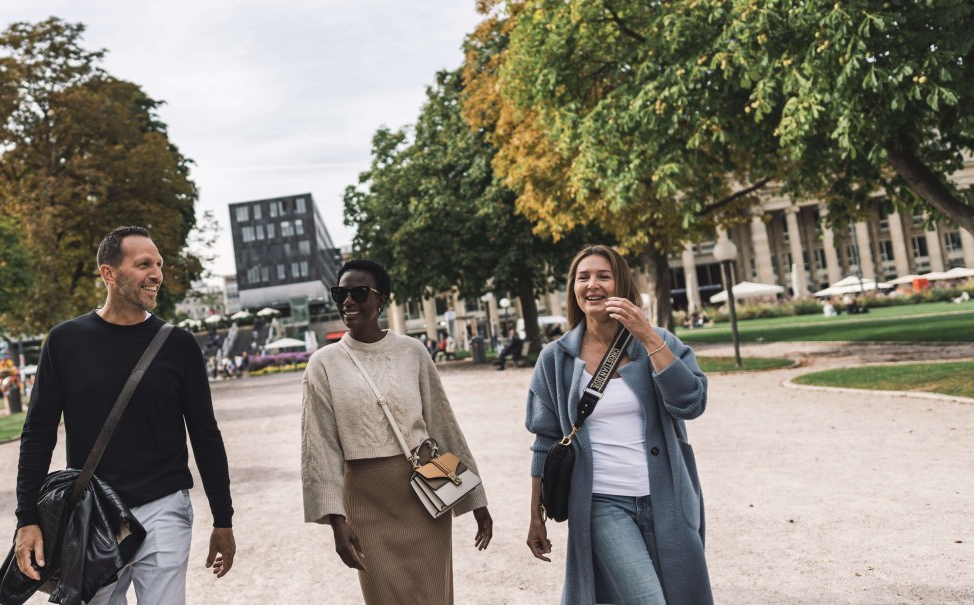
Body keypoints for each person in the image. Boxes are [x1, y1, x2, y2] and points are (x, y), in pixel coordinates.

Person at [13, 226, 236, 604]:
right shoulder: (65, 341)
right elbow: (38, 433)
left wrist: (223, 519)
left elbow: (205, 435)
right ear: (109, 273)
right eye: (143, 264)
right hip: (92, 515)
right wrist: (26, 519)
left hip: (164, 508)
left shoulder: (179, 346)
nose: (157, 275)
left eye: (159, 265)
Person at [525, 245, 712, 604]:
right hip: (601, 503)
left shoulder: (657, 342)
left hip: (667, 499)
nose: (592, 284)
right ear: (574, 290)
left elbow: (691, 403)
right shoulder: (556, 358)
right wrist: (536, 515)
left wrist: (648, 336)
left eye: (603, 276)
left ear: (621, 286)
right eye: (583, 277)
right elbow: (545, 441)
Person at [302, 259, 493, 604]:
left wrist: (476, 500)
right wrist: (336, 521)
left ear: (382, 299)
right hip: (365, 501)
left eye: (359, 293)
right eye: (340, 293)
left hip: (425, 492)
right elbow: (321, 446)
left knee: (434, 596)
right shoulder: (323, 363)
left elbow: (442, 423)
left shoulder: (413, 352)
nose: (348, 301)